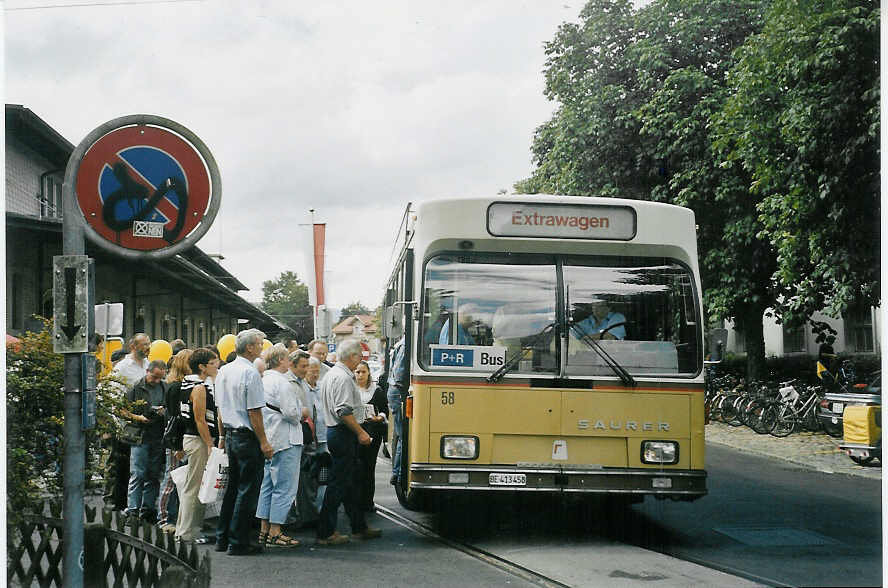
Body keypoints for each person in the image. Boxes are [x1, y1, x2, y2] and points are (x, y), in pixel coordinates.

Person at [213, 328, 274, 556]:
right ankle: (238, 541)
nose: (261, 347)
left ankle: (223, 537)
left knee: (232, 489)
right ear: (249, 347)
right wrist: (264, 442)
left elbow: (220, 408)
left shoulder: (224, 371)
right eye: (259, 344)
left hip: (230, 433)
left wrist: (221, 436)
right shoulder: (250, 373)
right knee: (247, 490)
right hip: (246, 436)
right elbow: (254, 412)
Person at [316, 338, 381, 545]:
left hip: (336, 432)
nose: (360, 361)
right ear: (352, 356)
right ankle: (326, 532)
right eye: (360, 357)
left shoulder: (332, 374)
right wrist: (361, 432)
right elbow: (343, 410)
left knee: (350, 482)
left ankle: (358, 526)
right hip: (343, 433)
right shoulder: (343, 378)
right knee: (338, 484)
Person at [256, 344, 306, 547]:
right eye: (286, 358)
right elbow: (291, 413)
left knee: (267, 484)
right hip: (287, 438)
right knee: (285, 485)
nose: (289, 362)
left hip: (269, 437)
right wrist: (301, 412)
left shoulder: (262, 380)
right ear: (280, 361)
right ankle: (276, 531)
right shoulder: (283, 383)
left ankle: (264, 529)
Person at [175, 347, 220, 544]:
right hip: (198, 439)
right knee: (194, 487)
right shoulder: (199, 388)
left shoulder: (187, 383)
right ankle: (187, 532)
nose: (216, 365)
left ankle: (187, 530)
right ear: (202, 367)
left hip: (191, 438)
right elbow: (200, 419)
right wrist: (210, 444)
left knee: (192, 486)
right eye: (212, 363)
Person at [121, 359, 168, 524]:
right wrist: (138, 417)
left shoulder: (165, 387)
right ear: (147, 371)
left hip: (157, 436)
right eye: (154, 377)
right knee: (138, 473)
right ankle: (133, 510)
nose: (156, 381)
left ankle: (147, 509)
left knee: (153, 474)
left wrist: (163, 412)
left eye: (159, 378)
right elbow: (121, 409)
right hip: (140, 435)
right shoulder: (136, 387)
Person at [157, 349, 193, 534]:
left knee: (178, 478)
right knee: (171, 478)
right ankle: (164, 518)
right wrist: (177, 445)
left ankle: (173, 516)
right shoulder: (175, 388)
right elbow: (174, 419)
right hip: (176, 441)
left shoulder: (181, 385)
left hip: (181, 439)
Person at [354, 360, 388, 511]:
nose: (360, 375)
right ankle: (354, 500)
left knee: (369, 467)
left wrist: (378, 418)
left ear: (368, 374)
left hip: (373, 432)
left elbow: (384, 410)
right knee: (356, 467)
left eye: (363, 372)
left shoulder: (377, 390)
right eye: (358, 372)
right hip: (354, 432)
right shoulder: (350, 389)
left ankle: (367, 502)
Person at [387, 336, 407, 485]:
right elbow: (400, 375)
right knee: (403, 435)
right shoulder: (407, 344)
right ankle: (399, 473)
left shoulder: (402, 342)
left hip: (394, 390)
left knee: (402, 435)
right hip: (398, 392)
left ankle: (398, 472)